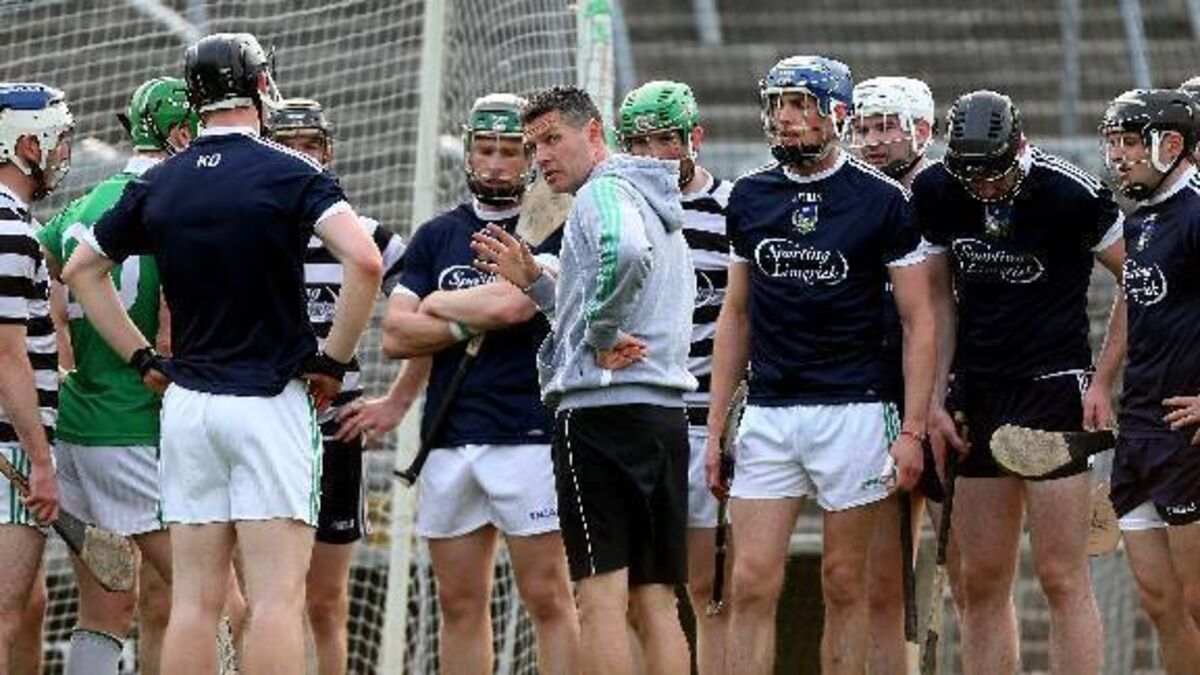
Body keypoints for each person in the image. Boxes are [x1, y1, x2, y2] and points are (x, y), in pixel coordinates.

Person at [59, 33, 383, 674]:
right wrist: (333, 362)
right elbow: (366, 262)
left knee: (194, 602)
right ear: (260, 85)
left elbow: (81, 271)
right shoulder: (291, 170)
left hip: (188, 409)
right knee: (275, 599)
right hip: (269, 403)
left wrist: (142, 359)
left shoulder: (161, 180)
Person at [698, 56, 935, 675]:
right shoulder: (750, 196)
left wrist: (911, 430)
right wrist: (716, 427)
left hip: (856, 410)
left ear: (837, 114)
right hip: (770, 410)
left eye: (800, 104)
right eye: (777, 104)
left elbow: (919, 322)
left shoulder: (882, 201)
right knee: (749, 581)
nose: (785, 117)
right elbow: (736, 315)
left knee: (843, 582)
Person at [469, 84, 696, 675]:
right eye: (532, 145)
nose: (541, 156)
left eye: (552, 139)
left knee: (598, 601)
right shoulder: (654, 196)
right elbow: (621, 280)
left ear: (594, 133)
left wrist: (599, 334)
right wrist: (540, 286)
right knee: (657, 601)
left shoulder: (603, 192)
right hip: (662, 418)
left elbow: (625, 253)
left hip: (600, 418)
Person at [913, 90, 1124, 674]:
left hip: (1052, 390)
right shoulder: (937, 191)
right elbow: (938, 301)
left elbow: (1138, 280)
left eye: (994, 175)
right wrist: (935, 399)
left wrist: (1103, 381)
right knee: (982, 580)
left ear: (1020, 147)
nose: (982, 188)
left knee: (1061, 575)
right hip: (976, 394)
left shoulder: (1071, 193)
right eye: (971, 176)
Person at [380, 92, 579, 675]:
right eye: (485, 149)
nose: (494, 164)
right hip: (448, 437)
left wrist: (436, 304)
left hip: (528, 434)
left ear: (531, 157)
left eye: (509, 151)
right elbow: (395, 334)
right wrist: (467, 318)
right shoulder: (437, 235)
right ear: (469, 151)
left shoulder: (555, 227)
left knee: (548, 597)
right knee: (458, 604)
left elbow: (516, 306)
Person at [37, 75, 196, 675]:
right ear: (181, 134)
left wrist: (73, 369)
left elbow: (48, 299)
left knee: (106, 606)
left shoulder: (79, 207)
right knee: (215, 600)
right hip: (137, 424)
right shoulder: (179, 205)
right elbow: (172, 333)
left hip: (80, 422)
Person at [263, 97, 410, 675]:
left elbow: (430, 308)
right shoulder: (247, 236)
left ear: (329, 152)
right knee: (272, 597)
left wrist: (397, 401)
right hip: (266, 432)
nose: (303, 157)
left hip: (336, 436)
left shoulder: (367, 236)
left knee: (324, 602)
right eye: (288, 146)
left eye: (312, 146)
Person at [615, 78, 731, 675]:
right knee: (637, 595)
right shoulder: (616, 208)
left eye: (665, 140)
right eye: (638, 143)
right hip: (636, 420)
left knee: (708, 591)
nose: (653, 155)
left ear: (694, 139)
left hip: (705, 421)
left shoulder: (734, 208)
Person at [849, 75, 960, 673]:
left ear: (920, 130)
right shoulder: (855, 197)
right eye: (863, 127)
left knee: (969, 575)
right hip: (878, 395)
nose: (872, 140)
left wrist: (941, 397)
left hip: (949, 397)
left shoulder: (948, 192)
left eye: (886, 127)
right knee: (880, 586)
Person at [1100, 88, 1200, 675]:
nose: (1119, 156)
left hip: (1187, 436)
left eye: (1130, 143)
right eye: (1113, 144)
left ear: (1171, 144)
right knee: (1163, 606)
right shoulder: (1141, 220)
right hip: (1140, 431)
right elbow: (1135, 309)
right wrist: (1101, 384)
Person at [0, 81, 70, 675]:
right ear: (28, 144)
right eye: (58, 138)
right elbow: (6, 357)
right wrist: (41, 462)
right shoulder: (10, 229)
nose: (63, 152)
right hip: (11, 450)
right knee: (2, 617)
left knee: (28, 608)